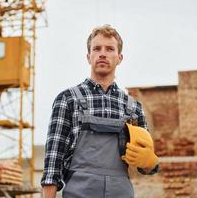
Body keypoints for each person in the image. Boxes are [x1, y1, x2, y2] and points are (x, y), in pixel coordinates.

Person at [41, 25, 159, 198]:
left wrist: (150, 161)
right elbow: (53, 163)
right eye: (96, 48)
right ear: (89, 57)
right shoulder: (67, 100)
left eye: (110, 49)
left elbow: (147, 167)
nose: (102, 53)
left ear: (119, 58)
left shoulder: (133, 108)